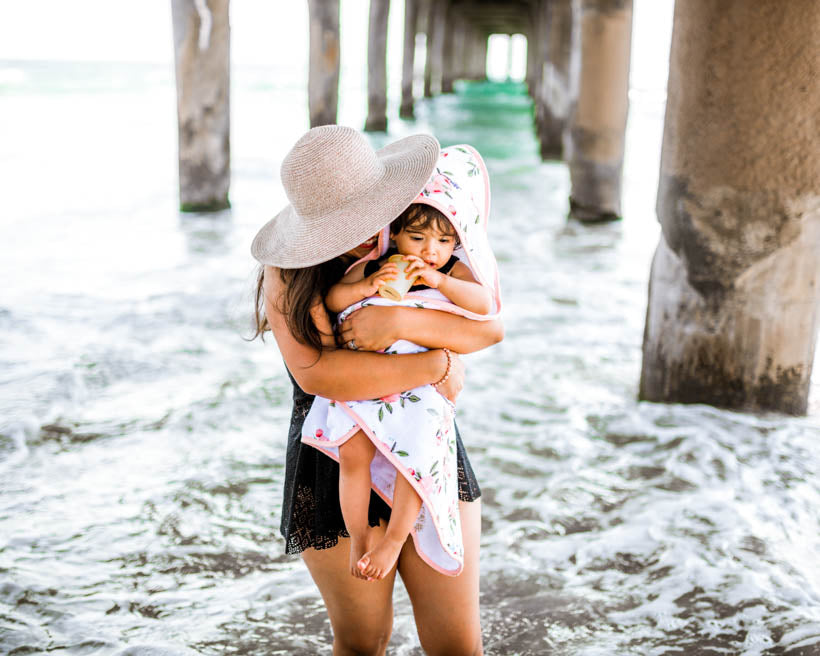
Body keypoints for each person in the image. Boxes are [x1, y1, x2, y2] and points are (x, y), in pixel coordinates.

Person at [251, 125, 502, 655]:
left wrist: (397, 323)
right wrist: (435, 365)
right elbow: (317, 375)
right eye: (345, 223)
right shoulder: (289, 273)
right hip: (337, 454)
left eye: (370, 213)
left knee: (459, 645)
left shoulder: (420, 237)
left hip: (424, 444)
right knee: (364, 642)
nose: (365, 232)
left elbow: (487, 327)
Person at [302, 170, 497, 583]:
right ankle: (359, 538)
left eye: (444, 241)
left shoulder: (454, 270)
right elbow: (335, 298)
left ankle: (392, 540)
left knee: (418, 454)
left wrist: (438, 279)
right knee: (354, 457)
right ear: (396, 234)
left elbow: (485, 306)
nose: (430, 251)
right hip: (362, 382)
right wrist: (369, 284)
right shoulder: (377, 262)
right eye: (418, 238)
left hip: (418, 385)